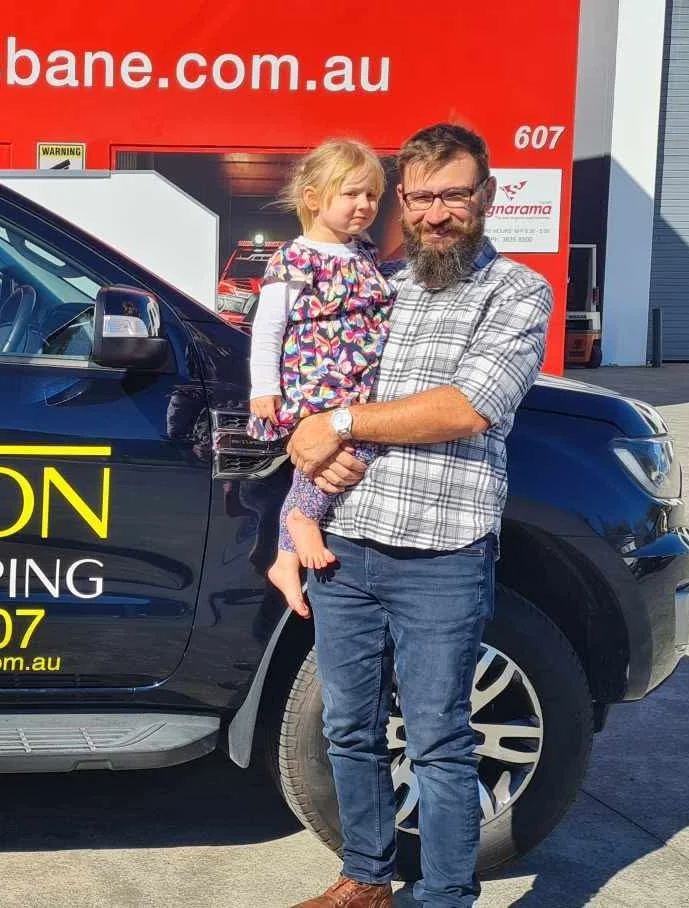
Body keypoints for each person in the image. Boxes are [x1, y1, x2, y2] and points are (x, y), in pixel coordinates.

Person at [285, 123, 554, 908]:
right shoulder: (380, 286)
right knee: (349, 730)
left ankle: (443, 897)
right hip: (346, 546)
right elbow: (310, 375)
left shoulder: (517, 292)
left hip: (442, 553)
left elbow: (469, 408)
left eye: (455, 195)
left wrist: (339, 424)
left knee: (438, 742)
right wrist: (301, 494)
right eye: (423, 197)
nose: (438, 213)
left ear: (487, 196)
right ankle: (367, 879)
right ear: (403, 199)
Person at [243, 139, 395, 616]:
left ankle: (286, 559)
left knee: (361, 443)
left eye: (372, 195)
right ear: (313, 198)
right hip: (317, 379)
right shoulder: (295, 258)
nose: (365, 205)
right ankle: (303, 516)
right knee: (334, 449)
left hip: (359, 383)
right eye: (351, 194)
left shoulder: (364, 253)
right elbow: (268, 327)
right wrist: (263, 387)